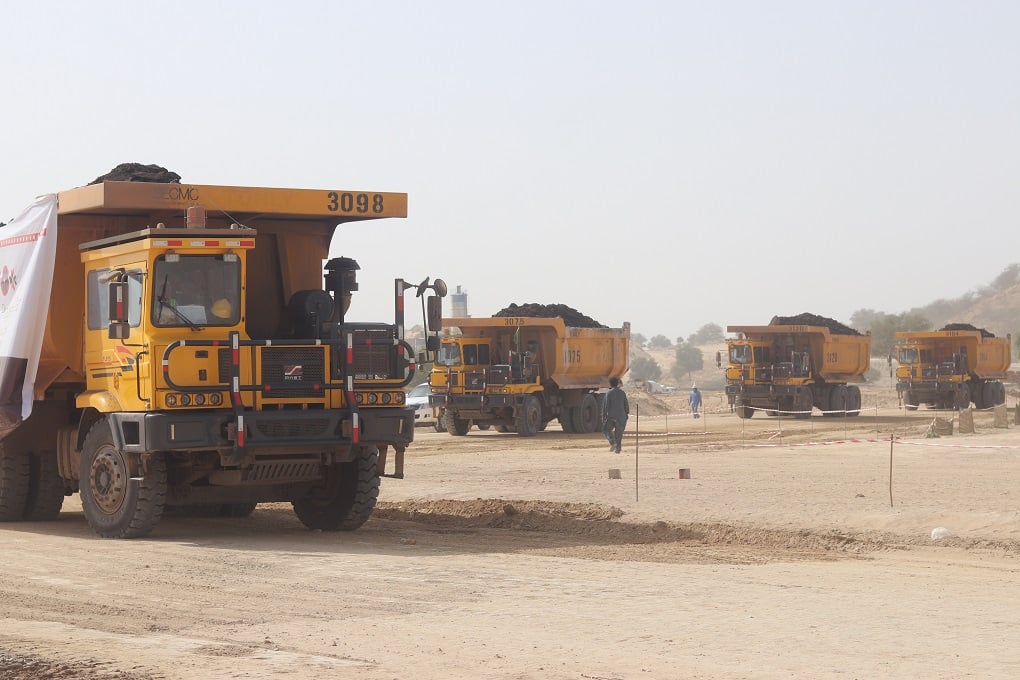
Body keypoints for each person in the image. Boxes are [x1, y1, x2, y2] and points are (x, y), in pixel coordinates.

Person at [602, 377, 629, 453]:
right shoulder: (622, 393)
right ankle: (618, 449)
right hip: (622, 417)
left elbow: (606, 406)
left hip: (612, 417)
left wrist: (604, 416)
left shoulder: (609, 393)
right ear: (617, 383)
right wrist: (626, 414)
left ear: (610, 384)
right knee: (619, 433)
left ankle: (612, 442)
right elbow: (626, 405)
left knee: (606, 430)